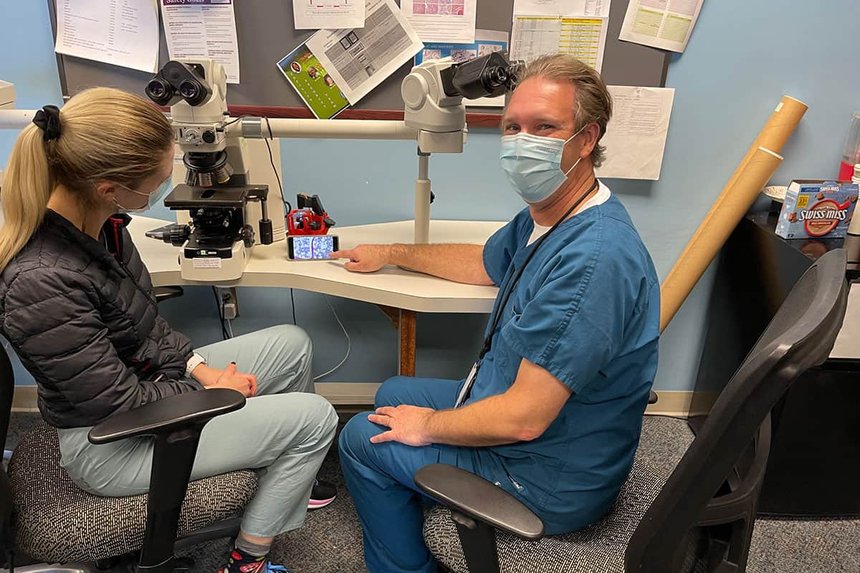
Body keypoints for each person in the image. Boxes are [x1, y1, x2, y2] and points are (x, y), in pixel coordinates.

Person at [333, 54, 661, 573]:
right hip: (541, 416)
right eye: (513, 127)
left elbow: (525, 419)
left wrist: (432, 427)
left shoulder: (594, 261)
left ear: (587, 138)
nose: (521, 142)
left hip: (544, 474)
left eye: (544, 127)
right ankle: (425, 496)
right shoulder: (556, 213)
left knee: (358, 438)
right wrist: (391, 251)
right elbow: (485, 261)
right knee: (394, 393)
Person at [0, 88, 339, 573]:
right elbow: (114, 405)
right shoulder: (40, 281)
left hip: (140, 393)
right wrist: (212, 391)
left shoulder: (106, 227)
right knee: (315, 418)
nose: (162, 190)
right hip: (110, 445)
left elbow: (147, 324)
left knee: (292, 344)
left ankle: (285, 476)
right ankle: (249, 558)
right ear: (109, 187)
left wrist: (202, 369)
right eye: (156, 183)